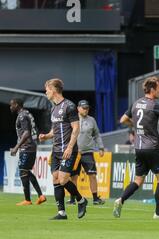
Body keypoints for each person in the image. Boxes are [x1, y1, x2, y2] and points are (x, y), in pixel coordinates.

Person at [113, 76, 159, 219]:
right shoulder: (155, 105)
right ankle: (158, 214)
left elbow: (123, 120)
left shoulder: (135, 103)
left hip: (139, 148)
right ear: (152, 89)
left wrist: (135, 125)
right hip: (152, 148)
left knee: (138, 180)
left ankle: (120, 200)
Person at [39, 79, 88, 220]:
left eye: (47, 89)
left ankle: (81, 200)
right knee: (55, 178)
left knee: (62, 179)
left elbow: (76, 128)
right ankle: (62, 212)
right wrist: (46, 136)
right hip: (56, 150)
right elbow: (55, 130)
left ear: (54, 90)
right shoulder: (53, 108)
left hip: (68, 149)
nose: (46, 92)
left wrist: (70, 147)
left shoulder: (69, 106)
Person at [9, 99, 46, 207]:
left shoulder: (22, 116)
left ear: (16, 105)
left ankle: (27, 199)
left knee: (23, 171)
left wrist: (16, 147)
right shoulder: (28, 113)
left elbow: (26, 132)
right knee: (26, 171)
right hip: (31, 146)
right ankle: (40, 196)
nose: (10, 107)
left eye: (12, 105)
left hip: (27, 147)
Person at [68, 100, 106, 206]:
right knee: (73, 177)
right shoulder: (72, 119)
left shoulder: (92, 120)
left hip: (87, 152)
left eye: (87, 108)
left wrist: (101, 147)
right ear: (78, 108)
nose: (86, 110)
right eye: (83, 108)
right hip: (75, 152)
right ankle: (72, 199)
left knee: (92, 175)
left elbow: (97, 134)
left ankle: (95, 198)